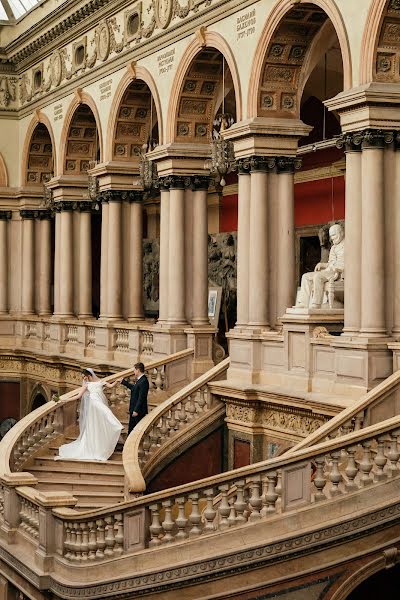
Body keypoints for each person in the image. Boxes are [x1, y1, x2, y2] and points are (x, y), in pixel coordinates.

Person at [57, 368, 123, 461]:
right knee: (104, 413)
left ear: (89, 375)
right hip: (94, 404)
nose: (83, 379)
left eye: (84, 376)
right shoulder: (87, 385)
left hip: (99, 402)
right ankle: (116, 425)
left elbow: (111, 386)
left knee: (103, 417)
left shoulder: (100, 382)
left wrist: (116, 381)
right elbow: (78, 396)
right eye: (83, 377)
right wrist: (65, 399)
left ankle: (110, 432)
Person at [297, 223, 345, 309]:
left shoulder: (348, 246)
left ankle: (316, 303)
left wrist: (337, 268)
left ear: (341, 233)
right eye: (331, 236)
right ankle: (303, 303)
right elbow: (331, 262)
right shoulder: (334, 247)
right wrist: (322, 264)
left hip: (337, 272)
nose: (332, 238)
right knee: (305, 276)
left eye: (334, 235)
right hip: (329, 270)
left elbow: (350, 263)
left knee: (318, 276)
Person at [121, 362, 149, 434]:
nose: (133, 372)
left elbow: (141, 397)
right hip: (134, 409)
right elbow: (134, 388)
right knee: (131, 430)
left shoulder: (144, 381)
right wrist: (124, 382)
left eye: (134, 370)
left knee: (135, 431)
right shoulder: (140, 380)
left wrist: (136, 410)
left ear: (138, 370)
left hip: (138, 411)